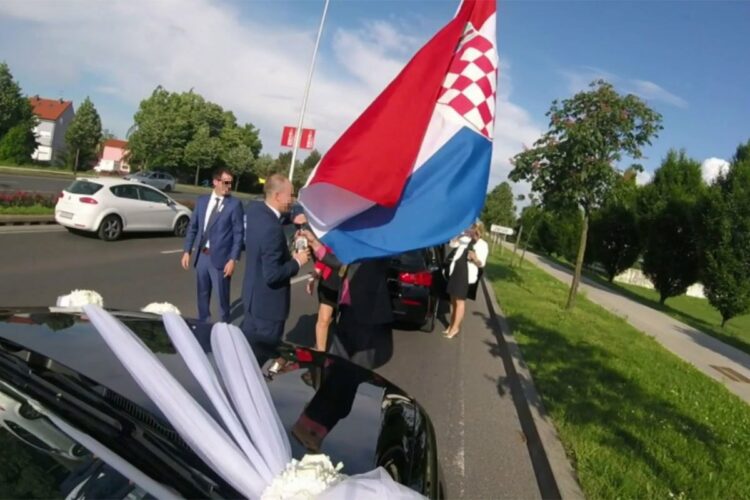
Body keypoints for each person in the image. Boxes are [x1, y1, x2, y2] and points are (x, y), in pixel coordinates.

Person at [241, 174, 309, 366]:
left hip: (252, 299)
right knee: (258, 360)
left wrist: (294, 216)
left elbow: (283, 214)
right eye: (291, 195)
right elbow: (272, 275)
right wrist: (297, 261)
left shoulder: (255, 211)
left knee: (245, 354)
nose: (293, 200)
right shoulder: (272, 229)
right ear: (278, 196)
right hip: (269, 309)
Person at [181, 168, 244, 323]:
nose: (229, 186)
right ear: (216, 182)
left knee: (222, 299)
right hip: (202, 256)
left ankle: (225, 326)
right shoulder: (202, 201)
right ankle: (204, 323)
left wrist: (233, 259)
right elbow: (193, 227)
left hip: (221, 260)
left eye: (230, 183)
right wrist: (187, 251)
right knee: (202, 295)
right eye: (226, 182)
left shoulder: (234, 204)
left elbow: (238, 234)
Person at [443, 221, 488, 339]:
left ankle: (455, 328)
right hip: (456, 270)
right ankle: (451, 324)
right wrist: (458, 236)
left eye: (474, 229)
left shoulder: (482, 244)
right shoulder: (465, 238)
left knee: (460, 301)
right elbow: (452, 244)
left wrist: (475, 258)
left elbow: (481, 264)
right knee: (452, 300)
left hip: (466, 274)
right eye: (471, 228)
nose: (471, 230)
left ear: (479, 231)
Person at [302, 232, 342, 352]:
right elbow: (325, 253)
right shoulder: (332, 232)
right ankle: (321, 354)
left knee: (348, 321)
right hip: (330, 281)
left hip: (350, 280)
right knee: (324, 319)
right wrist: (314, 275)